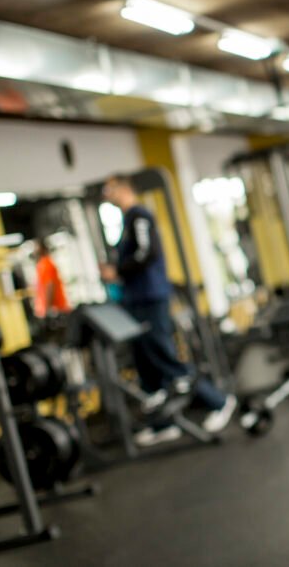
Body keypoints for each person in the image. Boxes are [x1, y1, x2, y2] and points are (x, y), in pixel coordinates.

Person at [99, 174, 236, 446]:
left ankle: (218, 402)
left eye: (110, 190)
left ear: (125, 188)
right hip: (135, 299)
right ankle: (163, 423)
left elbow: (145, 254)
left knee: (163, 356)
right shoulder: (127, 221)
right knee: (145, 364)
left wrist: (118, 270)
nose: (106, 195)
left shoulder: (139, 217)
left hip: (150, 298)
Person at [33, 239, 71, 318]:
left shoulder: (46, 264)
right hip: (53, 309)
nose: (34, 250)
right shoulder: (42, 264)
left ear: (42, 249)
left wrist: (48, 308)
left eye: (36, 247)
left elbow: (50, 286)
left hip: (57, 309)